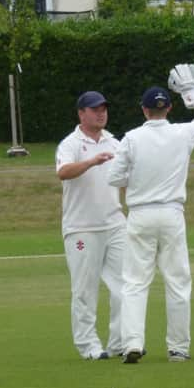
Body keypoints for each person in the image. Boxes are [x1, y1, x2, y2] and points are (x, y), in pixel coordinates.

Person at [108, 82, 194, 364]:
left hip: (140, 215)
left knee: (134, 282)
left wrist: (139, 178)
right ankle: (178, 347)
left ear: (144, 110)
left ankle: (132, 342)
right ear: (168, 108)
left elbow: (114, 178)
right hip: (171, 214)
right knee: (177, 281)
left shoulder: (131, 138)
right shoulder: (182, 133)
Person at [56, 91, 126, 360]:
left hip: (115, 223)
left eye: (104, 108)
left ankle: (120, 342)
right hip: (81, 227)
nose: (101, 113)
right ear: (81, 113)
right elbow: (63, 172)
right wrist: (90, 162)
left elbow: (127, 178)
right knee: (85, 290)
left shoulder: (115, 143)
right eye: (95, 109)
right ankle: (89, 346)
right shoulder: (70, 143)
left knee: (125, 286)